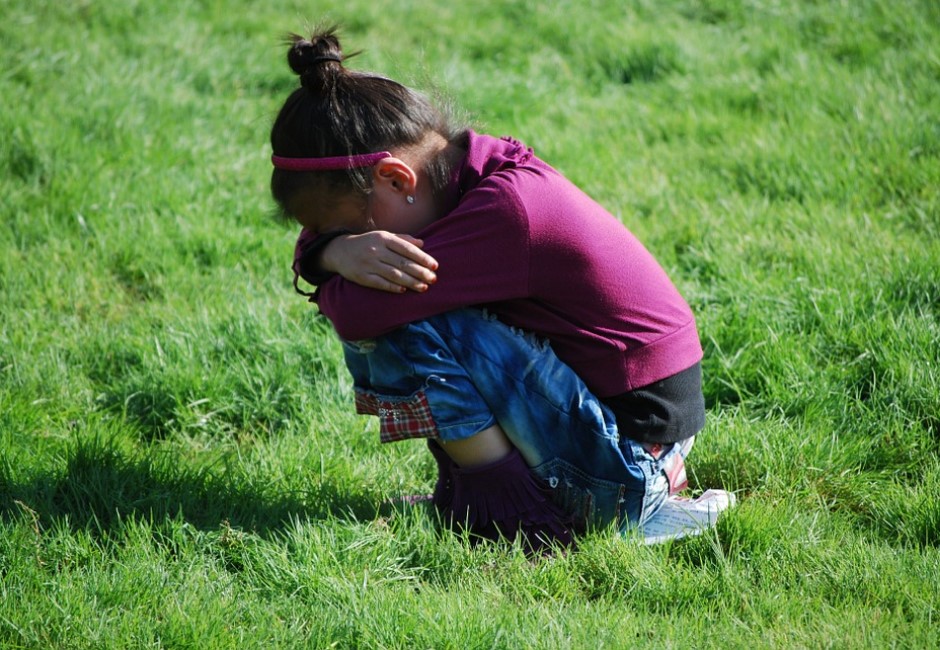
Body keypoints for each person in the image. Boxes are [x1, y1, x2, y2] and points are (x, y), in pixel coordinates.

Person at [270, 28, 728, 551]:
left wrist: (327, 261)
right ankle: (485, 491)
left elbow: (356, 315)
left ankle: (510, 511)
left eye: (352, 229)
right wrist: (330, 252)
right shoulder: (467, 171)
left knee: (400, 317)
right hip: (633, 441)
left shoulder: (508, 214)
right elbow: (334, 268)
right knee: (400, 296)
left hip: (627, 466)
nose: (358, 245)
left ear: (397, 180)